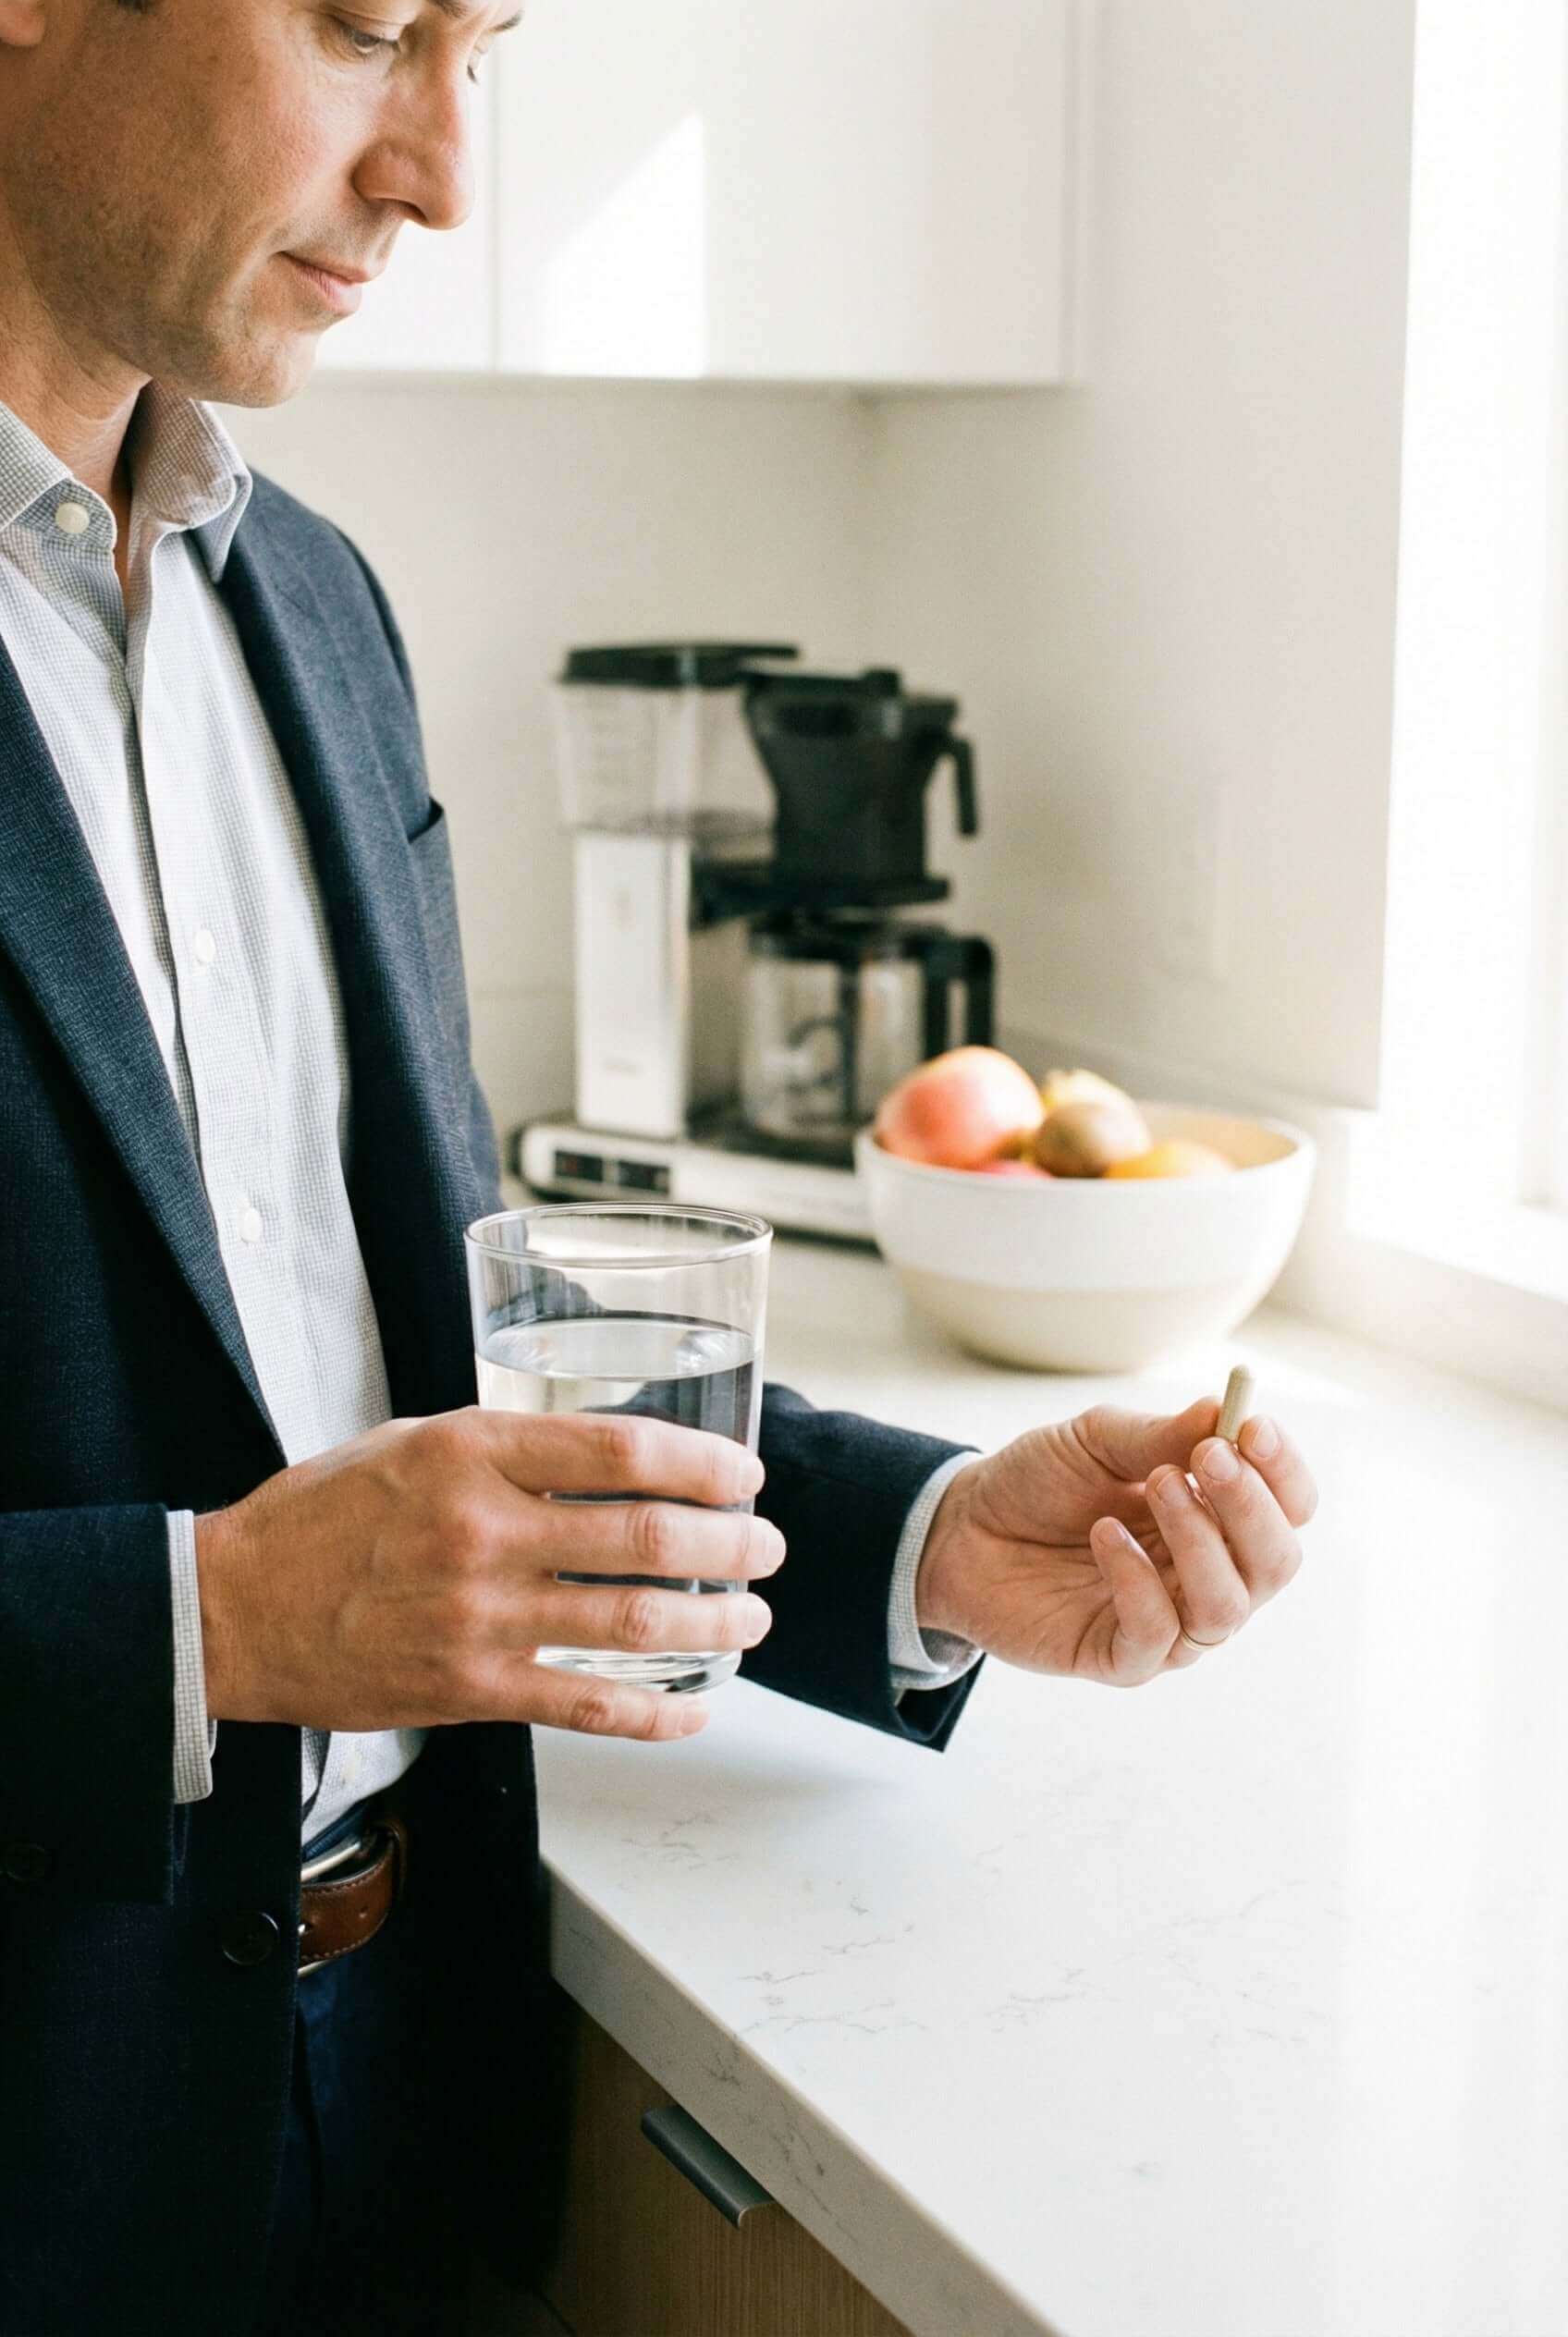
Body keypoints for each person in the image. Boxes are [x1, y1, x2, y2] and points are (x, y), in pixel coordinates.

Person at [0, 3, 1319, 2331]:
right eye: (362, 27)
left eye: (478, 55)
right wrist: (207, 1630)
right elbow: (276, 1552)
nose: (440, 174)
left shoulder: (311, 603)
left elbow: (403, 1336)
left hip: (398, 2085)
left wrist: (912, 1545)